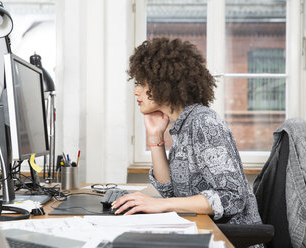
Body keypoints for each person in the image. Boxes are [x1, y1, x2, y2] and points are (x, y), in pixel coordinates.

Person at [112, 37, 262, 227]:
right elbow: (171, 193)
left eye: (142, 83)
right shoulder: (183, 125)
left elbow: (232, 197)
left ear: (164, 83)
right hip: (200, 227)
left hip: (228, 236)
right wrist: (155, 138)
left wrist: (159, 205)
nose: (136, 91)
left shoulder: (204, 123)